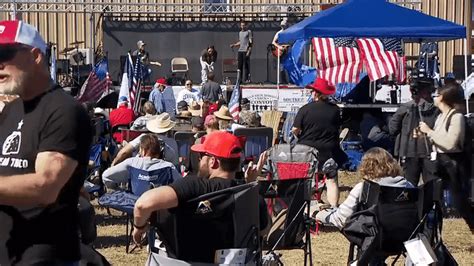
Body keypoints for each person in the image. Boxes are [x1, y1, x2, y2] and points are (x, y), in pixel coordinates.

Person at [0, 20, 92, 265]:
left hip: (45, 257)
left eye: (5, 54)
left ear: (36, 56)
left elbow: (46, 187)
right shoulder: (10, 111)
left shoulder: (64, 110)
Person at [131, 132, 267, 262]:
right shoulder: (249, 195)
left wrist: (139, 227)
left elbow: (142, 205)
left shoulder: (193, 186)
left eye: (201, 156)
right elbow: (264, 230)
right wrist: (250, 186)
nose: (199, 160)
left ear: (213, 162)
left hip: (183, 262)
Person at [419, 83, 473, 228]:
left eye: (436, 95)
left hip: (453, 164)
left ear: (443, 97)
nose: (433, 97)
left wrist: (429, 132)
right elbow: (438, 138)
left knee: (461, 203)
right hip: (439, 163)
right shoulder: (440, 117)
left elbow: (450, 143)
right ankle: (433, 231)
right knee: (434, 200)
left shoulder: (457, 117)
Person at [316, 147, 413, 228]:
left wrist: (319, 215)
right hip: (404, 237)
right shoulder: (408, 186)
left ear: (366, 167)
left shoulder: (364, 188)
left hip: (373, 238)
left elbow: (341, 219)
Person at [292, 78, 345, 207]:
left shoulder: (305, 109)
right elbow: (338, 128)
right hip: (329, 151)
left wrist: (299, 135)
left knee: (305, 179)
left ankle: (304, 207)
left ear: (316, 93)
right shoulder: (335, 110)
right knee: (331, 180)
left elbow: (295, 129)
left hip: (307, 150)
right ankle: (333, 208)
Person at [388, 78, 439, 186]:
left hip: (408, 151)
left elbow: (393, 128)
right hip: (430, 151)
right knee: (432, 187)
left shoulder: (406, 107)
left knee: (408, 186)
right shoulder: (437, 109)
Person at [102, 134, 181, 189]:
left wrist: (119, 190)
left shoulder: (131, 163)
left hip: (135, 202)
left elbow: (106, 176)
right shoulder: (168, 167)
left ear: (143, 151)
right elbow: (180, 184)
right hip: (159, 204)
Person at [112, 113, 179, 167]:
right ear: (168, 129)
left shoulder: (144, 138)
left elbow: (124, 152)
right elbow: (176, 165)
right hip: (163, 178)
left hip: (140, 173)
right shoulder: (173, 143)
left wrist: (113, 164)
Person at [271, 18, 289, 84]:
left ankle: (287, 80)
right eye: (282, 25)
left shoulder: (288, 32)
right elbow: (273, 42)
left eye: (284, 25)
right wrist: (279, 47)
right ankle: (283, 81)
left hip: (286, 51)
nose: (283, 27)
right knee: (282, 66)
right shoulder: (279, 33)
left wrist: (287, 46)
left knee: (286, 66)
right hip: (281, 52)